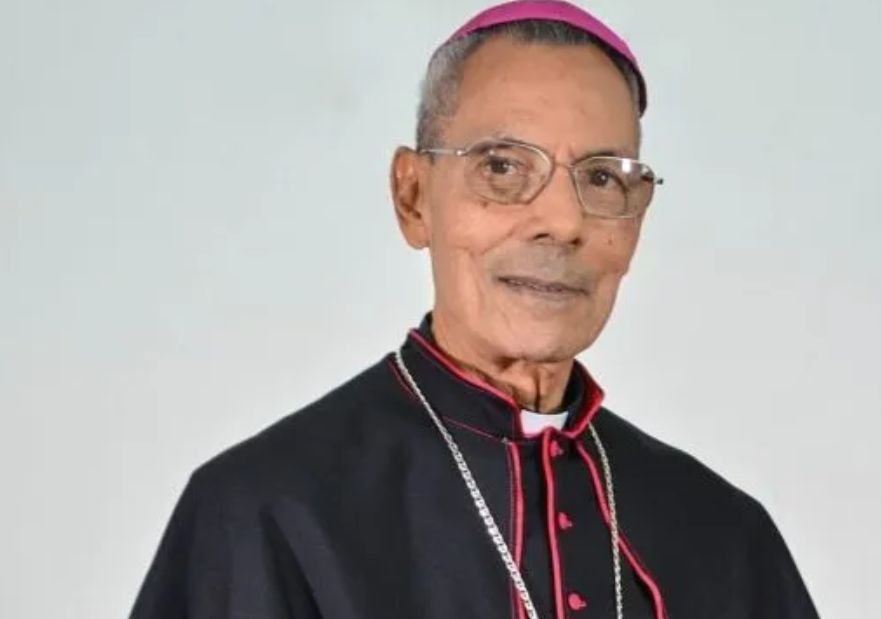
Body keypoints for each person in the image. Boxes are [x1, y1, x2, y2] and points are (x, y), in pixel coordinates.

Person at [129, 2, 820, 617]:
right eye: (502, 167)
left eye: (604, 177)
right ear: (413, 197)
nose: (562, 222)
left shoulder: (727, 537)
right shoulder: (264, 513)